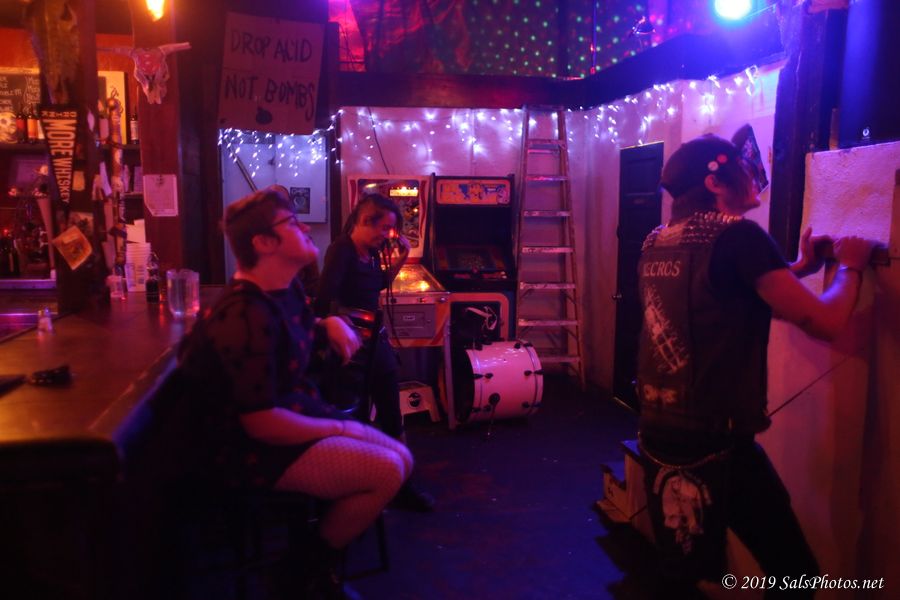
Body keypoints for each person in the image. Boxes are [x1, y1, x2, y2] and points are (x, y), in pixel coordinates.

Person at [635, 135, 876, 595]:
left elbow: (722, 294)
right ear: (715, 182)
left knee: (680, 570)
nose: (754, 178)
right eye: (745, 170)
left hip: (660, 428)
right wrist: (850, 267)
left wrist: (798, 269)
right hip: (715, 438)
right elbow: (825, 323)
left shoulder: (656, 240)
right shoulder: (738, 237)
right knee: (794, 574)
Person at [178, 186, 412, 599]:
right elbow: (261, 423)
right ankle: (301, 573)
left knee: (402, 457)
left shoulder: (285, 292)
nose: (304, 228)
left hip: (292, 417)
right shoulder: (244, 313)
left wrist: (326, 325)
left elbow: (296, 328)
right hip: (249, 448)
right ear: (264, 243)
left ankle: (312, 561)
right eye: (291, 222)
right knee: (388, 469)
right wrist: (342, 428)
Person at [314, 193, 435, 512]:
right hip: (352, 344)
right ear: (365, 221)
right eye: (384, 228)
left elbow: (377, 284)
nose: (387, 236)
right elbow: (324, 297)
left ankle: (401, 482)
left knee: (390, 410)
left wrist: (399, 260)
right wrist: (334, 327)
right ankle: (352, 485)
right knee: (353, 413)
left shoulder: (369, 253)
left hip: (374, 342)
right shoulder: (342, 249)